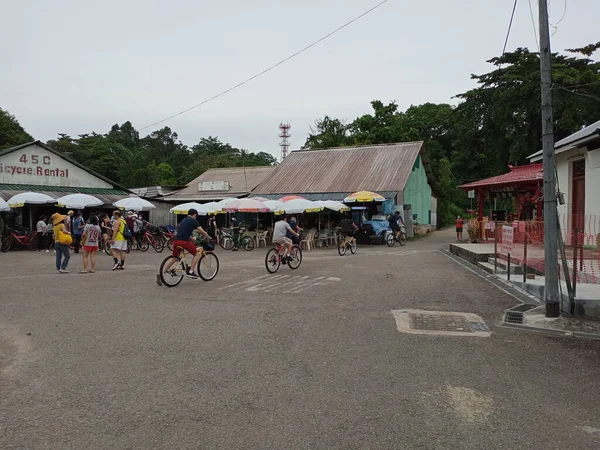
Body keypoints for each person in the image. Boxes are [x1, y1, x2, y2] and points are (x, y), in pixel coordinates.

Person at [167, 209, 211, 278]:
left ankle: (162, 272)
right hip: (184, 242)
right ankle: (191, 272)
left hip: (176, 241)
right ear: (195, 215)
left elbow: (183, 231)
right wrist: (208, 237)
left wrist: (191, 237)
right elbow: (202, 231)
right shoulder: (193, 220)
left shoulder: (183, 220)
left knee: (174, 258)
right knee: (196, 254)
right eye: (196, 216)